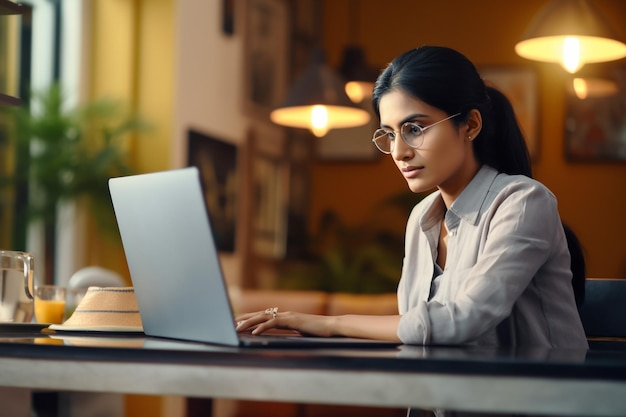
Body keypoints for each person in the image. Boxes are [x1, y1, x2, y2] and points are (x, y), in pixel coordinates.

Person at [235, 45, 588, 350]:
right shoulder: (422, 218)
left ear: (470, 125)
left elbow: (461, 321)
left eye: (414, 129)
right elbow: (415, 326)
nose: (399, 152)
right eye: (389, 134)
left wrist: (326, 323)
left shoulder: (523, 201)